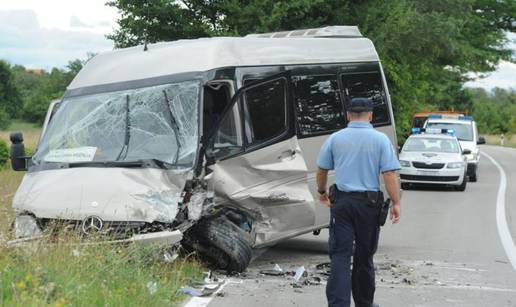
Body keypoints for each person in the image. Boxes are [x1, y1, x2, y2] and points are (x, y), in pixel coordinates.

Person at [316, 97, 401, 307]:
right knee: (364, 257)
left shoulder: (335, 139)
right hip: (368, 206)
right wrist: (396, 202)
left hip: (342, 205)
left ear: (348, 114)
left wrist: (322, 191)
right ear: (370, 115)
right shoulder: (381, 140)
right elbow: (389, 173)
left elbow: (322, 169)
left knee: (340, 256)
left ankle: (338, 304)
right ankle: (364, 303)